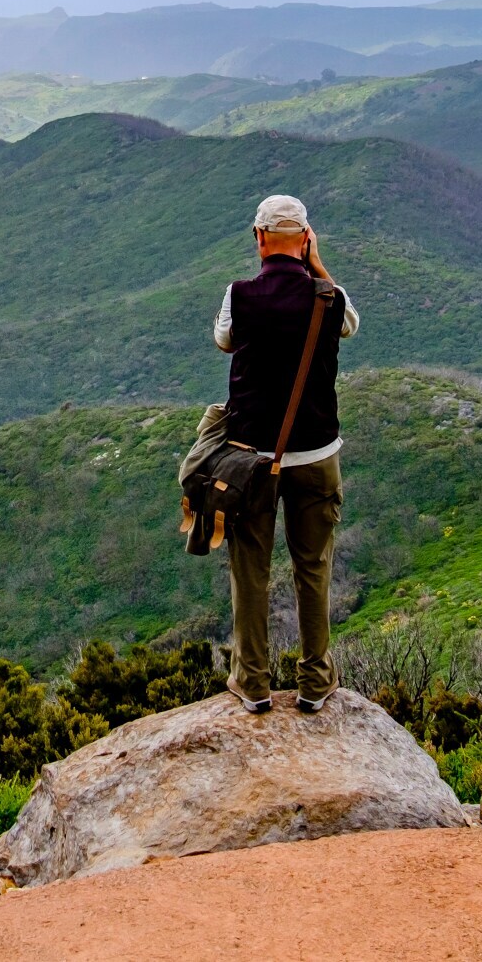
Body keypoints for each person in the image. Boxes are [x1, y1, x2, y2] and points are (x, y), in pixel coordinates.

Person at [206, 194, 358, 714]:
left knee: (251, 569)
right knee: (312, 566)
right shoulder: (328, 297)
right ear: (308, 239)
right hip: (317, 455)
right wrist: (319, 269)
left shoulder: (239, 295)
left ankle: (252, 683)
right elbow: (350, 324)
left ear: (259, 238)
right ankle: (316, 681)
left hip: (252, 458)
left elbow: (224, 341)